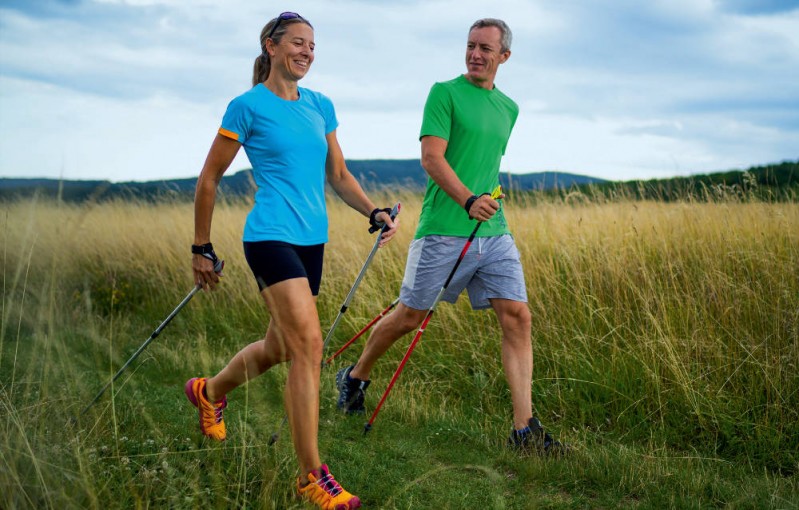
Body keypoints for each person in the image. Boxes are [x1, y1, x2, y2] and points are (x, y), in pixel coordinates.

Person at [186, 12, 397, 509]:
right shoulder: (247, 107)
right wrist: (201, 247)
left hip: (311, 241)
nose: (306, 51)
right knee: (309, 345)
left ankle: (209, 391)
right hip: (269, 236)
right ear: (272, 46)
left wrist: (374, 210)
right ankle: (311, 476)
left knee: (280, 346)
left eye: (312, 45)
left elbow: (339, 174)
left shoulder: (320, 106)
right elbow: (209, 178)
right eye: (297, 43)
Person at [336, 18, 566, 456]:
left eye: (485, 48)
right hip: (444, 229)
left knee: (518, 316)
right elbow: (431, 157)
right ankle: (355, 377)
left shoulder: (509, 108)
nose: (475, 54)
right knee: (408, 317)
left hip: (493, 231)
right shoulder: (444, 93)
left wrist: (485, 200)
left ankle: (524, 431)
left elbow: (486, 164)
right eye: (470, 46)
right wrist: (467, 199)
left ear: (504, 57)